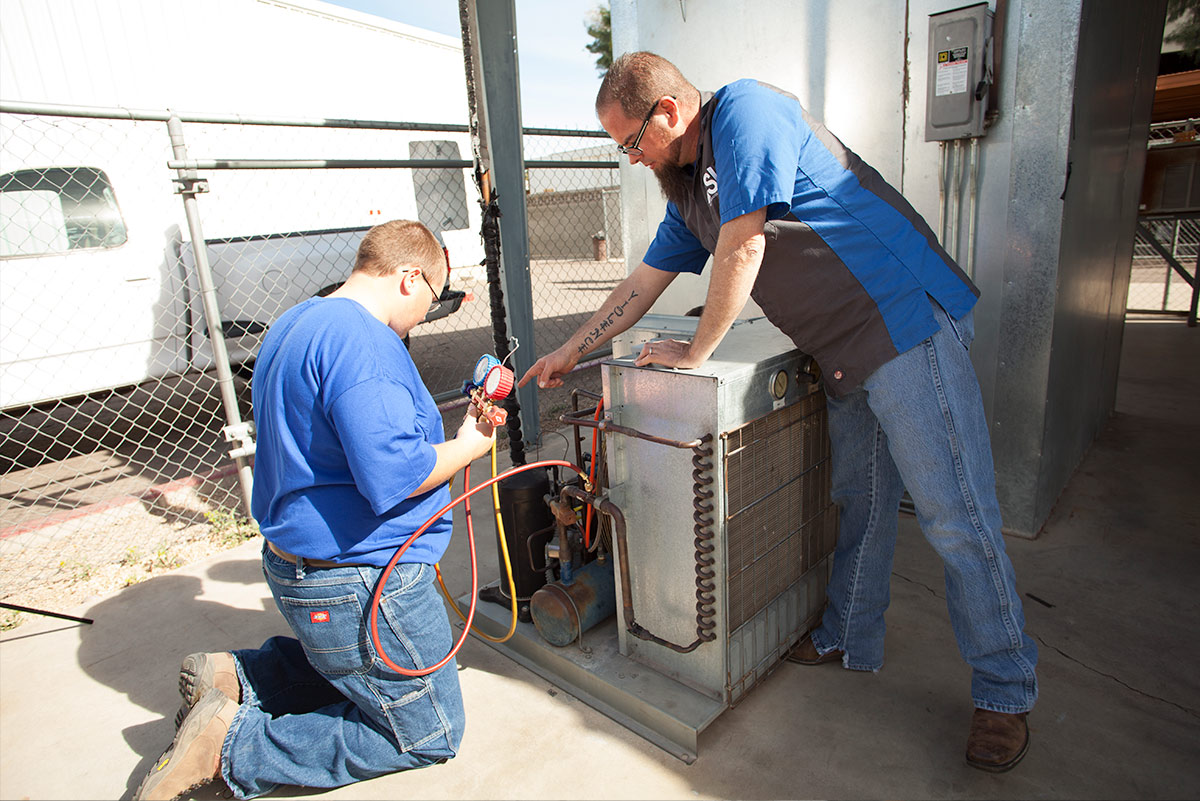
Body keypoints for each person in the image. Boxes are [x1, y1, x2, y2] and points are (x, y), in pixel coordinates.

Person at [519, 51, 1038, 773]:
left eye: (631, 143)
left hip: (901, 321)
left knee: (955, 515)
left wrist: (698, 350)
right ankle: (849, 631)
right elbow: (642, 282)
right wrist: (571, 350)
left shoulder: (748, 114)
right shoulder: (688, 189)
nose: (632, 159)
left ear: (668, 112)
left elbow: (745, 242)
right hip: (843, 348)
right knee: (859, 495)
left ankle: (1006, 688)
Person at [134, 219, 496, 800]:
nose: (429, 310)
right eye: (434, 294)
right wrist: (469, 445)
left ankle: (236, 677)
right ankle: (230, 747)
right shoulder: (366, 345)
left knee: (357, 668)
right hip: (362, 579)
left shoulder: (297, 320)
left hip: (300, 566)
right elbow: (394, 477)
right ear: (409, 278)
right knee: (429, 732)